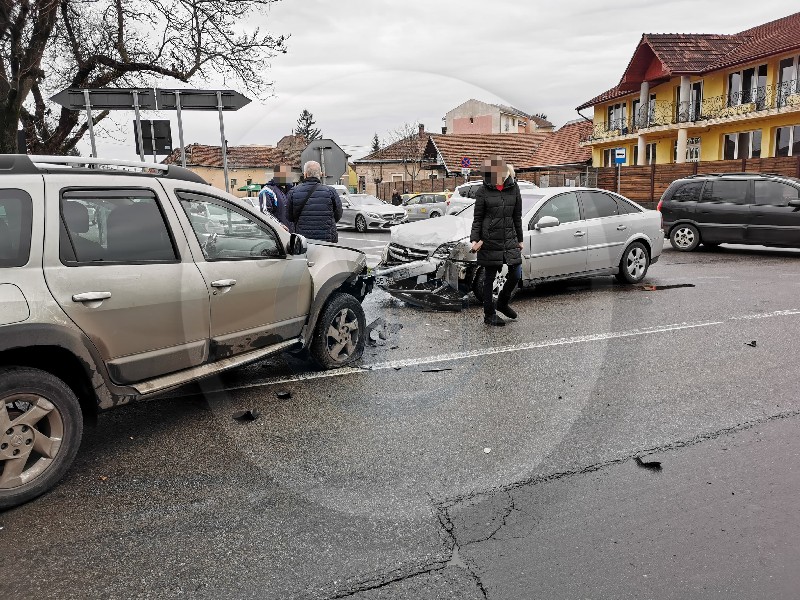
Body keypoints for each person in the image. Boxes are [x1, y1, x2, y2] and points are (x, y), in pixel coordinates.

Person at [470, 156, 523, 327]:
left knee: (516, 273)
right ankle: (489, 314)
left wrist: (520, 239)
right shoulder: (483, 190)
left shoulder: (514, 188)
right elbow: (478, 218)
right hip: (489, 239)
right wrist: (475, 239)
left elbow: (517, 216)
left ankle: (502, 303)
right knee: (489, 277)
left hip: (509, 237)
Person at [287, 160, 342, 242]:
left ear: (305, 174)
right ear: (321, 174)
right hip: (327, 240)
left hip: (304, 240)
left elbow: (289, 217)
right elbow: (338, 215)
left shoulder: (293, 192)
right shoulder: (331, 191)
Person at [259, 164, 294, 231]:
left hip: (291, 233)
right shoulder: (267, 191)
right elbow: (265, 212)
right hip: (277, 233)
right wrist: (279, 225)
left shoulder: (290, 190)